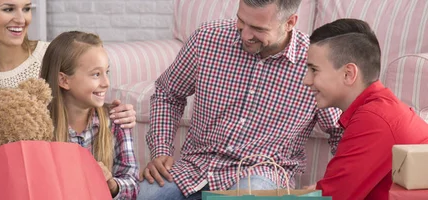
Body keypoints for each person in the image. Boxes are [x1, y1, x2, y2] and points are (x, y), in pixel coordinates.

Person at [137, 0, 343, 199]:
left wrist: (334, 184)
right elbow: (168, 93)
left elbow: (340, 131)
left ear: (290, 23)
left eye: (258, 29)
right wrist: (161, 150)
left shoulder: (314, 63)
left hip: (262, 175)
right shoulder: (207, 38)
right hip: (196, 165)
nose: (245, 35)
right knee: (145, 194)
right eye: (241, 21)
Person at [0, 1, 137, 199]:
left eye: (27, 8)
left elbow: (91, 85)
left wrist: (122, 113)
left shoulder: (53, 55)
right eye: (8, 9)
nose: (21, 19)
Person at [303, 18, 428, 200]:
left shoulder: (375, 119)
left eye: (314, 70)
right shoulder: (378, 109)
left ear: (348, 74)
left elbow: (330, 198)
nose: (306, 80)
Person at [39, 30, 139, 199]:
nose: (106, 83)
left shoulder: (115, 120)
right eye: (96, 74)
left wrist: (112, 184)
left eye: (107, 72)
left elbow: (132, 183)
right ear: (64, 80)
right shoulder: (37, 125)